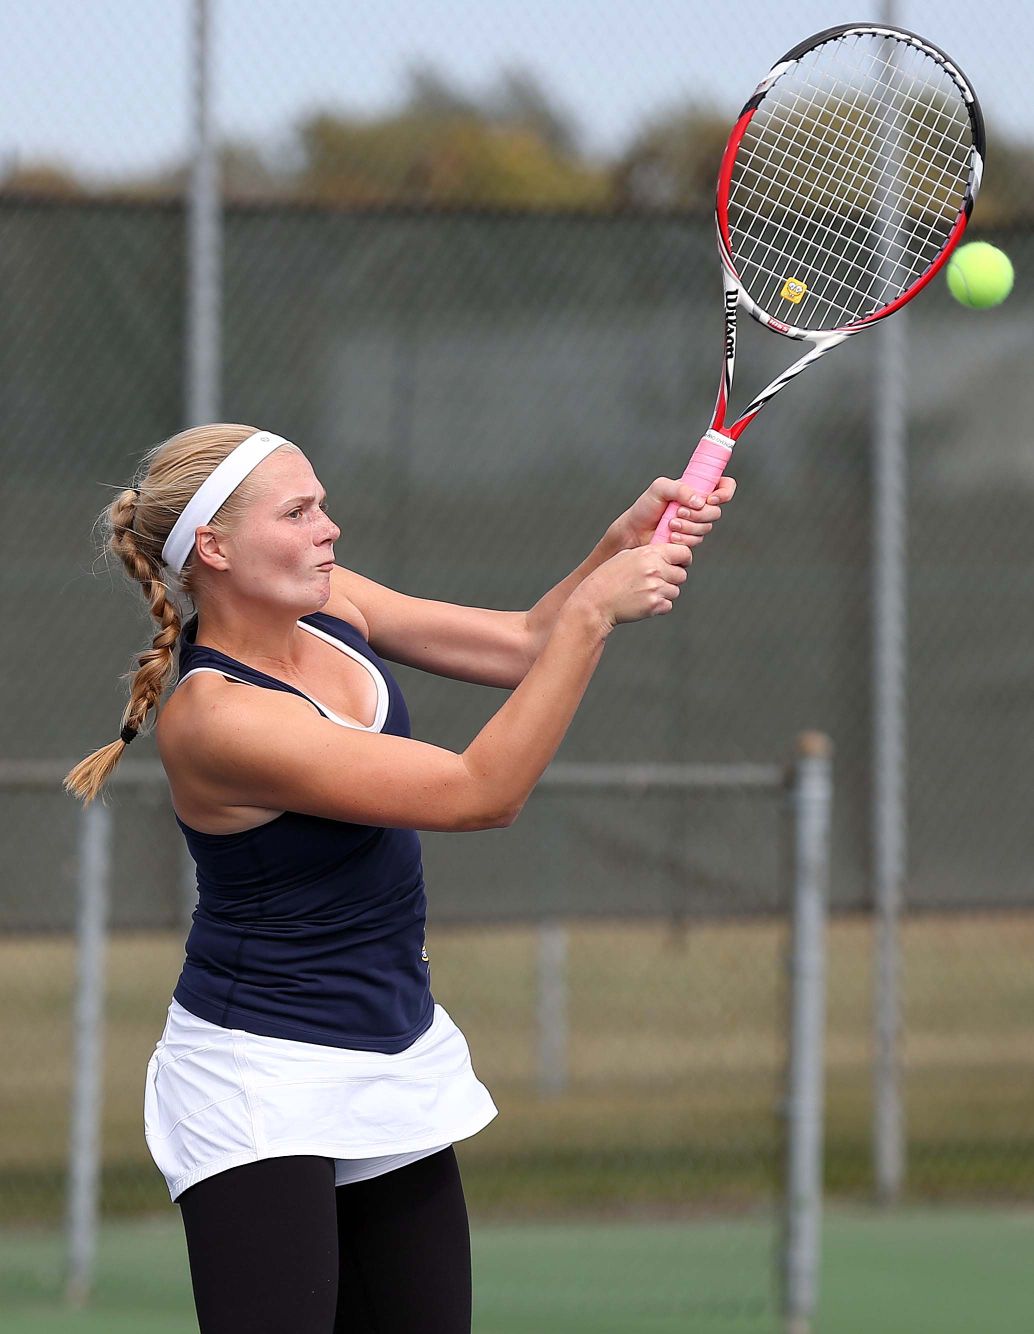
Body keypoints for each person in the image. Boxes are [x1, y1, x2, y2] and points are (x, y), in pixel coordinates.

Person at [64, 423, 735, 1334]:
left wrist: (615, 549)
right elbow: (478, 793)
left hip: (393, 1050)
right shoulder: (218, 718)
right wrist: (594, 614)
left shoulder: (332, 605)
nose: (328, 529)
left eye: (323, 506)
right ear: (214, 548)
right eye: (298, 512)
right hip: (262, 1076)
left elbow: (523, 645)